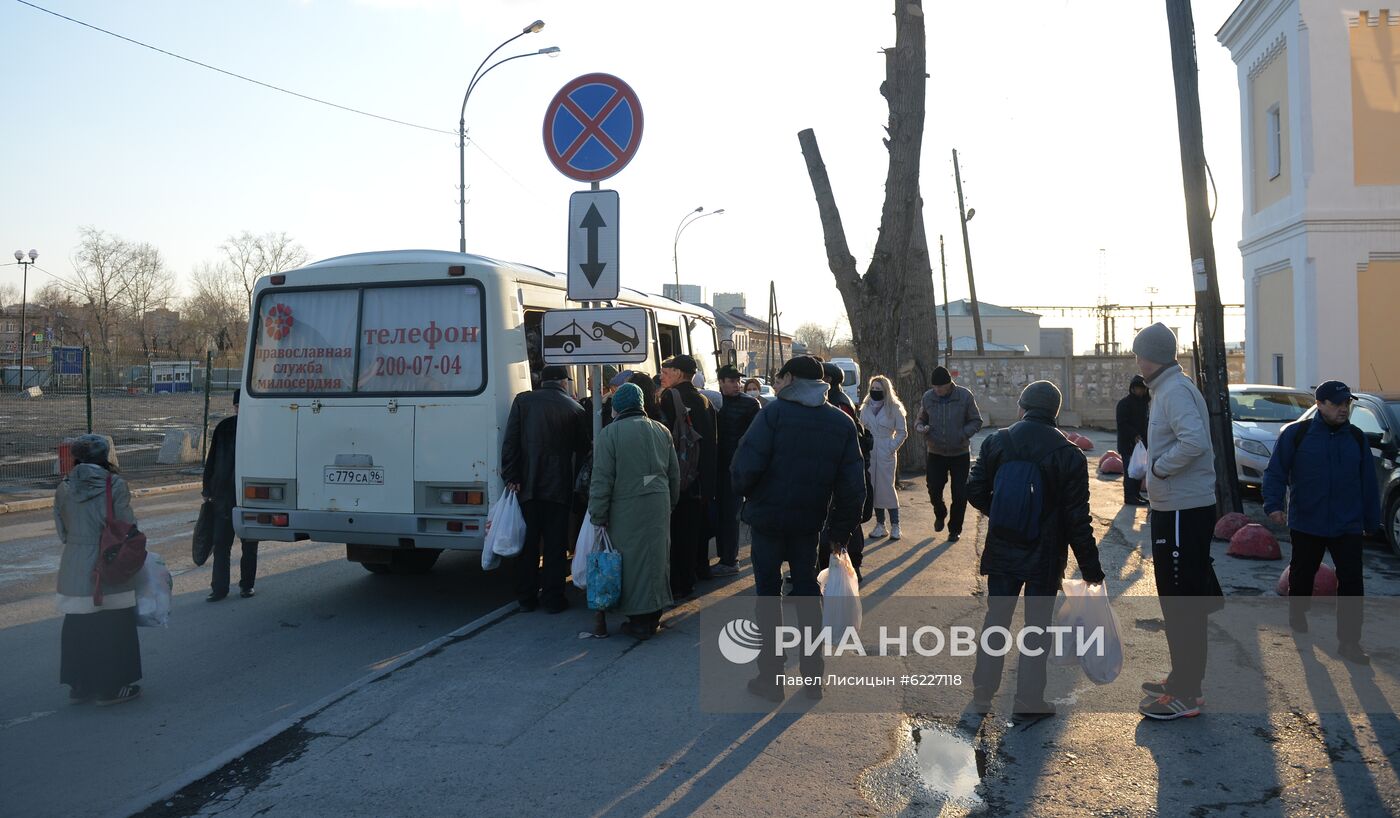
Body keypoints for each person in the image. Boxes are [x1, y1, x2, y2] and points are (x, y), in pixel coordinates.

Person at [731, 355, 866, 702]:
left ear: (790, 379)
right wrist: (841, 530)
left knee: (768, 595)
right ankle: (812, 679)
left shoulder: (772, 415)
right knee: (807, 593)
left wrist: (749, 494)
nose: (776, 383)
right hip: (810, 524)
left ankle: (771, 679)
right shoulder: (840, 423)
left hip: (767, 521)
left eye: (779, 377)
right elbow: (854, 485)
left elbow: (744, 466)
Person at [967, 381, 1105, 717]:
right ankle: (1029, 700)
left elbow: (974, 489)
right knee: (1037, 628)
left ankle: (983, 694)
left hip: (1002, 546)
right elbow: (1077, 519)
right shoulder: (1069, 455)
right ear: (1054, 413)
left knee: (996, 621)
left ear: (1023, 406)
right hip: (1045, 555)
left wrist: (1002, 512)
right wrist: (1091, 569)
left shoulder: (996, 441)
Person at [1131, 323, 1219, 721]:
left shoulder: (1174, 391)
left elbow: (1195, 442)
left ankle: (1188, 692)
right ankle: (1182, 679)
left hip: (1185, 509)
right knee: (1176, 599)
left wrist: (1159, 470)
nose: (1136, 362)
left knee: (1183, 603)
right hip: (1174, 508)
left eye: (1138, 355)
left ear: (1153, 356)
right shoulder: (1165, 389)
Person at [1263, 380, 1379, 665]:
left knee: (1352, 581)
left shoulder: (1356, 437)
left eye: (1346, 403)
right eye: (1337, 403)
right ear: (1320, 404)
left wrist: (1371, 519)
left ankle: (1350, 642)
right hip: (1307, 521)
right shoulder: (1297, 435)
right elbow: (1275, 471)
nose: (1343, 408)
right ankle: (1297, 610)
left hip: (1347, 523)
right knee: (1303, 574)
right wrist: (1273, 505)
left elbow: (1368, 481)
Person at [54, 434, 143, 706]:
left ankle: (79, 686)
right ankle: (110, 689)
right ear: (106, 457)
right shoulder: (114, 484)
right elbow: (126, 525)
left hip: (73, 564)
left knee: (78, 626)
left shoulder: (64, 487)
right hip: (107, 562)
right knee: (114, 627)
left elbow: (62, 531)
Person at [588, 383, 681, 640]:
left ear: (617, 407)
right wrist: (670, 503)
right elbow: (674, 474)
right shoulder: (662, 431)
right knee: (657, 558)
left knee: (632, 561)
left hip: (626, 506)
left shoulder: (610, 434)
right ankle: (654, 614)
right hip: (659, 504)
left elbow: (602, 479)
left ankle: (639, 620)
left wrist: (598, 513)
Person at [501, 365, 591, 613]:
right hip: (559, 487)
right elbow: (584, 448)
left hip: (526, 485)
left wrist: (511, 475)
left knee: (528, 545)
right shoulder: (575, 408)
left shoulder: (523, 401)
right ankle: (552, 599)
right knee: (555, 545)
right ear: (563, 382)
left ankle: (526, 598)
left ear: (542, 380)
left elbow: (510, 441)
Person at [658, 354, 718, 597]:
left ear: (679, 373)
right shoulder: (705, 400)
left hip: (677, 477)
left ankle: (678, 583)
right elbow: (712, 444)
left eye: (666, 370)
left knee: (676, 533)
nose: (662, 374)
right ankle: (692, 577)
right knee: (693, 532)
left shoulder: (670, 398)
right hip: (699, 479)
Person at [915, 365, 984, 542]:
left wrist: (962, 434)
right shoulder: (928, 397)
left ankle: (955, 529)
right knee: (934, 488)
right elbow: (921, 418)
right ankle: (940, 512)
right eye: (935, 387)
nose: (937, 390)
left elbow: (976, 420)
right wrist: (921, 427)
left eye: (941, 387)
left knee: (960, 494)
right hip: (936, 452)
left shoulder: (964, 396)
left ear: (949, 384)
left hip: (959, 453)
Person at [203, 389, 259, 601]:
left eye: (242, 405)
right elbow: (212, 459)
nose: (239, 409)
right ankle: (219, 588)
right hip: (223, 496)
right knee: (221, 544)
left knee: (249, 545)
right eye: (237, 406)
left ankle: (247, 585)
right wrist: (207, 488)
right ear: (234, 406)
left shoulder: (259, 429)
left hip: (249, 496)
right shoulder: (224, 427)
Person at [713, 364, 761, 575]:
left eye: (738, 381)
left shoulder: (750, 405)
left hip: (737, 466)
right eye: (731, 381)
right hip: (717, 466)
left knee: (732, 514)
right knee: (721, 513)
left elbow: (754, 437)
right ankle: (725, 556)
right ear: (721, 382)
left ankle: (730, 560)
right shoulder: (714, 403)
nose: (737, 385)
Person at [860, 375, 908, 540]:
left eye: (878, 390)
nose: (875, 392)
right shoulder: (865, 407)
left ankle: (896, 525)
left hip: (886, 450)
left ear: (886, 391)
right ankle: (880, 525)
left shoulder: (894, 408)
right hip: (870, 451)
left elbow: (902, 432)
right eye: (872, 389)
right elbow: (861, 428)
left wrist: (890, 447)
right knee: (873, 489)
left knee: (887, 487)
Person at [1116, 375, 1151, 506]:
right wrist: (1134, 435)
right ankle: (1129, 496)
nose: (1141, 391)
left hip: (1141, 444)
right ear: (1132, 389)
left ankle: (1136, 494)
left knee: (1139, 470)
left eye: (1143, 389)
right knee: (1130, 471)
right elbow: (1122, 423)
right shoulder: (1124, 404)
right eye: (1138, 388)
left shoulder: (1144, 404)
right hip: (1128, 444)